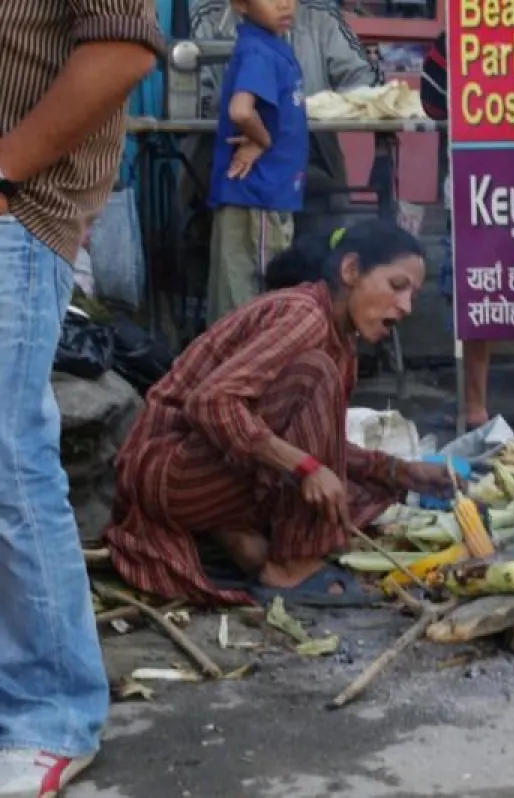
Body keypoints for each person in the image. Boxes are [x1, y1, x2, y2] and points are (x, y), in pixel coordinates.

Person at [103, 220, 453, 607]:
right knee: (315, 383)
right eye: (397, 286)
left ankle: (234, 534)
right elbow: (211, 402)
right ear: (351, 271)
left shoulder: (344, 346)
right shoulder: (305, 315)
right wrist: (303, 467)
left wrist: (399, 471)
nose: (406, 307)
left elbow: (323, 443)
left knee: (353, 492)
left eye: (414, 295)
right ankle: (289, 566)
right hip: (166, 472)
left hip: (205, 470)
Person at [0, 3, 163, 794]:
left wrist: (6, 169)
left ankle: (51, 713)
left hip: (15, 210)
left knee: (7, 458)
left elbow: (124, 46)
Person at [421, 30, 514, 431]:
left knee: (477, 287)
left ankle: (475, 407)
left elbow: (432, 102)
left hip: (476, 179)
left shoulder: (464, 29)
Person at [189, 0, 382, 237]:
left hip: (312, 159)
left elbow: (367, 86)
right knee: (252, 263)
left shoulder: (322, 19)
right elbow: (201, 100)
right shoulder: (213, 22)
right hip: (243, 168)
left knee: (317, 254)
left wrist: (329, 104)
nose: (284, 5)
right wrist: (262, 129)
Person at [206, 0, 308, 326]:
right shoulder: (258, 52)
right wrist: (261, 140)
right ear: (240, 5)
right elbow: (241, 110)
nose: (284, 4)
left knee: (242, 300)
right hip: (258, 200)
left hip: (262, 197)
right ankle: (245, 371)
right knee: (256, 305)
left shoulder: (270, 46)